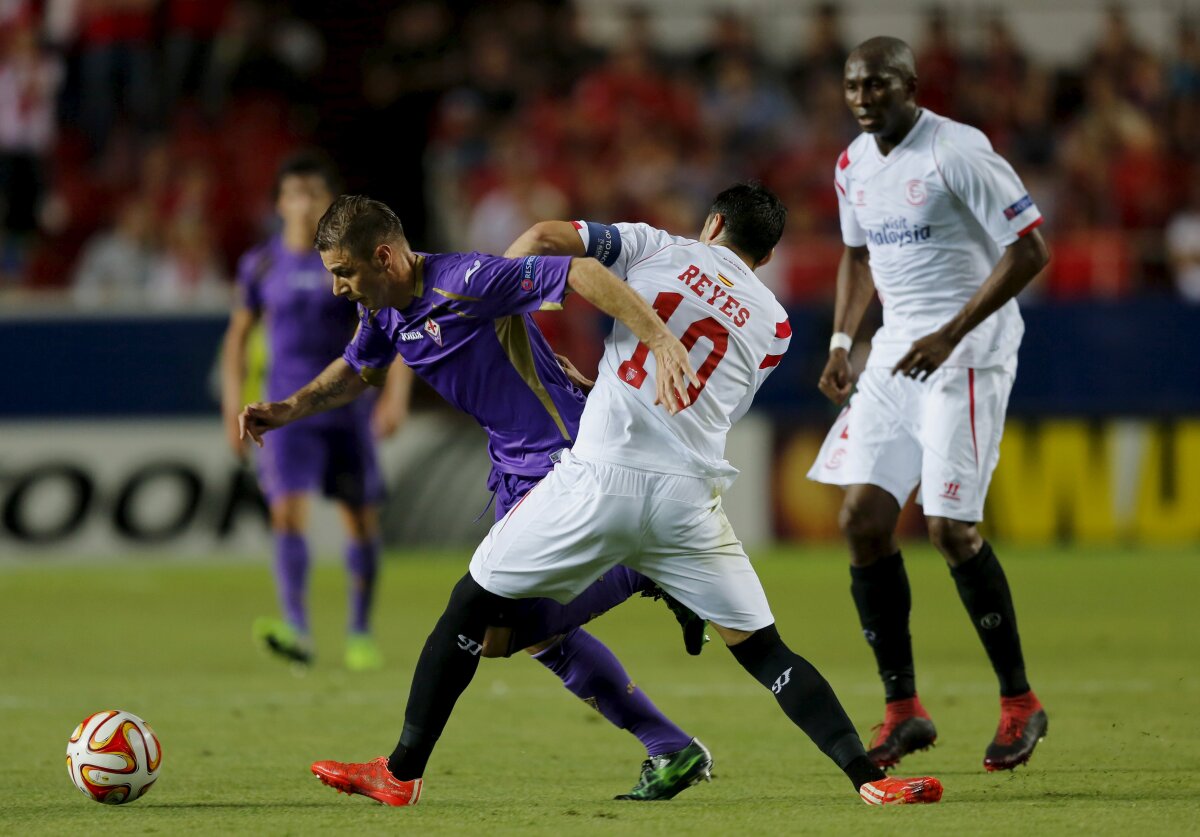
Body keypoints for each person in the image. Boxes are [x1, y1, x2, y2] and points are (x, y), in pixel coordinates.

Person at [306, 183, 944, 807]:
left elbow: (561, 247)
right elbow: (719, 391)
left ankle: (402, 772)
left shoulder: (656, 248)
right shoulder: (776, 325)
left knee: (471, 609)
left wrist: (506, 293)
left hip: (599, 479)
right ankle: (869, 779)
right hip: (691, 501)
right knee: (768, 652)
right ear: (767, 258)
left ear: (713, 226)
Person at [240, 194, 716, 801]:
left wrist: (659, 340)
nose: (337, 289)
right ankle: (671, 745)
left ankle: (649, 570)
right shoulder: (386, 311)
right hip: (516, 469)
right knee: (513, 636)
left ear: (384, 256)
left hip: (563, 459)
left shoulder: (465, 280)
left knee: (481, 617)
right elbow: (357, 370)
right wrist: (287, 409)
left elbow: (582, 271)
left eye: (344, 272)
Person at [806, 37, 1051, 772]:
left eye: (877, 85)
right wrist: (844, 339)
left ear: (909, 86)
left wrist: (950, 333)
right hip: (895, 352)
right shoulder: (853, 162)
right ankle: (903, 709)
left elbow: (1032, 249)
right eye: (853, 85)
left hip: (967, 354)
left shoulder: (958, 151)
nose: (862, 97)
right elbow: (856, 255)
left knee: (948, 527)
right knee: (862, 521)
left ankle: (1020, 703)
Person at [221, 153, 412, 671]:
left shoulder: (346, 263)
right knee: (286, 510)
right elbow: (237, 338)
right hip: (287, 409)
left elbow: (392, 322)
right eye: (294, 194)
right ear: (280, 203)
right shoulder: (260, 264)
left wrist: (395, 396)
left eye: (313, 193)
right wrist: (230, 403)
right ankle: (298, 628)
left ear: (329, 203)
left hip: (347, 405)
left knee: (360, 518)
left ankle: (360, 632)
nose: (304, 204)